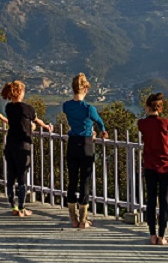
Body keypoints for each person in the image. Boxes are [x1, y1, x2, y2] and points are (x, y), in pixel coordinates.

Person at [62, 73, 108, 229]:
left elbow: (75, 121)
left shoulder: (66, 106)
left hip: (72, 144)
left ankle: (73, 218)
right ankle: (83, 220)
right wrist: (101, 131)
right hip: (87, 145)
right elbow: (100, 122)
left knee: (72, 181)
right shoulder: (89, 108)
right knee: (85, 182)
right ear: (86, 89)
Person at [1, 80, 53, 217]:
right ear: (20, 92)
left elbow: (18, 122)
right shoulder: (28, 109)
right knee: (22, 177)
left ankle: (14, 207)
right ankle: (22, 207)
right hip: (23, 145)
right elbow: (36, 121)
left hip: (10, 144)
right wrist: (45, 127)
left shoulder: (8, 108)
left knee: (11, 176)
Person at [138, 92, 168, 245]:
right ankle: (161, 236)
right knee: (164, 201)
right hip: (166, 167)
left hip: (150, 166)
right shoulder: (166, 123)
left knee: (151, 200)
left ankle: (152, 235)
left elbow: (146, 130)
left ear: (147, 107)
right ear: (160, 108)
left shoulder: (142, 124)